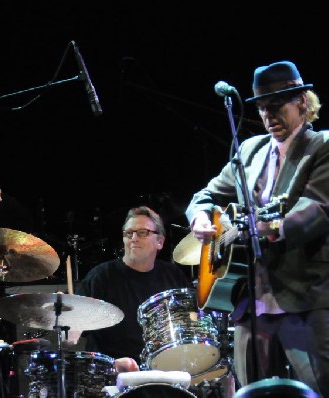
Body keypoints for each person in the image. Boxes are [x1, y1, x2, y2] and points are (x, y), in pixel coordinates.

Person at [186, 60, 329, 397]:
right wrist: (201, 218)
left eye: (276, 105)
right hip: (250, 303)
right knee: (251, 393)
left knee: (318, 390)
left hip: (305, 297)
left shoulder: (321, 146)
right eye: (262, 107)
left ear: (302, 102)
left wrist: (267, 227)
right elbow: (205, 195)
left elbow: (317, 209)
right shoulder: (249, 151)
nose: (267, 115)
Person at [74, 206, 193, 372]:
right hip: (116, 375)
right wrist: (63, 317)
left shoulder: (173, 275)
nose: (134, 238)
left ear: (160, 242)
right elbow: (71, 336)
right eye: (129, 233)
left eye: (142, 233)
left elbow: (191, 325)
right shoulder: (101, 277)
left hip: (166, 371)